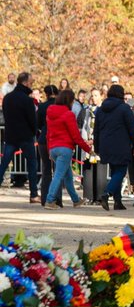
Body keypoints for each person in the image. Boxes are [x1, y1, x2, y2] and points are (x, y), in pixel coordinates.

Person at [42, 89, 92, 208]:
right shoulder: (69, 115)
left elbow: (48, 133)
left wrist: (49, 150)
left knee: (68, 175)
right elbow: (76, 136)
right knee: (59, 175)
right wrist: (88, 149)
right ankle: (49, 200)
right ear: (69, 101)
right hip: (65, 149)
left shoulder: (50, 112)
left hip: (53, 148)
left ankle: (75, 200)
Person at [93, 84, 134, 210]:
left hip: (105, 145)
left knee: (114, 171)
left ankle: (118, 202)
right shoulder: (125, 108)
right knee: (121, 171)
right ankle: (106, 193)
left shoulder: (101, 109)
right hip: (121, 144)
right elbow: (132, 129)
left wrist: (97, 147)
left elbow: (96, 130)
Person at [0, 72, 40, 202]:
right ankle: (33, 194)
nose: (31, 84)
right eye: (31, 82)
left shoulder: (7, 98)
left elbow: (5, 115)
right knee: (32, 164)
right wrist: (34, 132)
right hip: (25, 136)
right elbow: (32, 120)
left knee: (4, 163)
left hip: (11, 134)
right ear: (25, 82)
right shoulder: (27, 100)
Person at [36, 85, 60, 208]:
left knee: (46, 170)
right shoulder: (62, 107)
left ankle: (45, 198)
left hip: (43, 139)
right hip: (58, 140)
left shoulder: (42, 106)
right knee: (58, 170)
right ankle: (57, 198)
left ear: (46, 94)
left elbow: (38, 123)